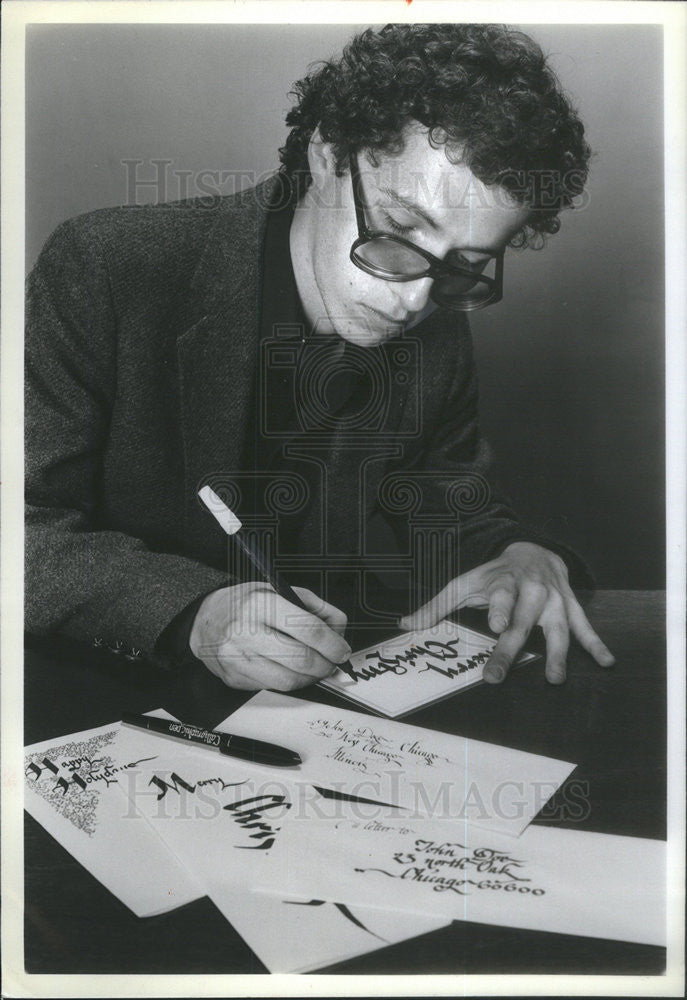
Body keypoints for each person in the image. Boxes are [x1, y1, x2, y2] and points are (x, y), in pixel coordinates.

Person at [25, 22, 615, 694]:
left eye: (467, 267)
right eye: (397, 233)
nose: (413, 299)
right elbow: (22, 528)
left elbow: (438, 495)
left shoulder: (435, 314)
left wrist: (517, 554)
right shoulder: (107, 268)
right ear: (327, 153)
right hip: (95, 693)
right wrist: (195, 611)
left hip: (319, 705)